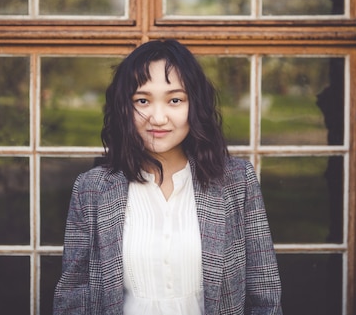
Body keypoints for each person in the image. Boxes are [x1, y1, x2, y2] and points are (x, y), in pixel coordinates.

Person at [53, 39, 282, 315]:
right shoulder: (92, 188)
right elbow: (73, 297)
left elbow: (263, 296)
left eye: (175, 100)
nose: (158, 117)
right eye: (142, 100)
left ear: (194, 105)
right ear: (124, 108)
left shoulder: (237, 181)